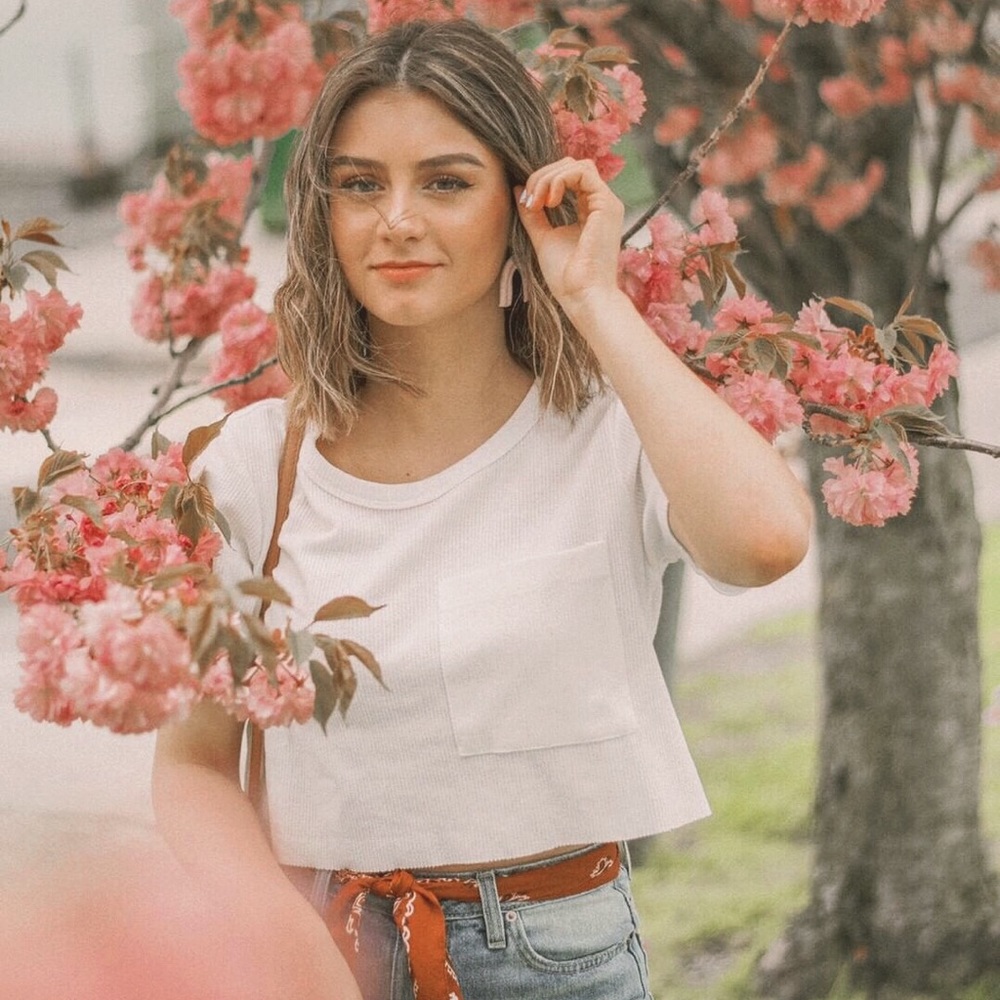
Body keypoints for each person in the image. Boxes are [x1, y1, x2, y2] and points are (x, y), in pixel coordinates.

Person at [153, 18, 812, 1000]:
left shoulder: (606, 433)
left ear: (522, 201)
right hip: (314, 948)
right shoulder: (254, 467)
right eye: (362, 184)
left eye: (447, 182)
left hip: (555, 957)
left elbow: (764, 541)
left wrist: (592, 294)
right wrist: (286, 948)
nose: (398, 219)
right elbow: (195, 764)